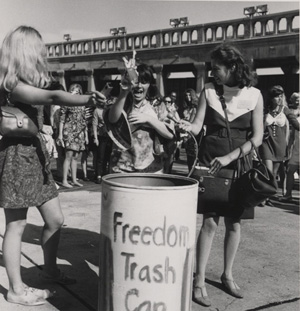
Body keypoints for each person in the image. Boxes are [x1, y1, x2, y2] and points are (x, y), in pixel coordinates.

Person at [0, 26, 105, 306]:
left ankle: (49, 270)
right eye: (38, 49)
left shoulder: (23, 83)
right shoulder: (12, 85)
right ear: (26, 52)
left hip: (35, 156)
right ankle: (16, 289)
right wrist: (88, 99)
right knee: (16, 224)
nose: (43, 54)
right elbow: (53, 97)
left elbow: (51, 92)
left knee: (55, 219)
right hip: (17, 158)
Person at [179, 44, 264, 307]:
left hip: (238, 164)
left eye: (216, 68)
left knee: (235, 223)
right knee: (210, 222)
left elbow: (258, 138)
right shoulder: (207, 91)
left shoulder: (255, 96)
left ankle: (227, 274)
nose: (212, 72)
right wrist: (186, 127)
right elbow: (197, 124)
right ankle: (200, 279)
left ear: (232, 68)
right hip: (209, 161)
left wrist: (230, 156)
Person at [106, 54, 175, 174]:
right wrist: (123, 92)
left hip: (151, 168)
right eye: (136, 82)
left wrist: (148, 119)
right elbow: (112, 120)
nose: (139, 86)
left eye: (144, 82)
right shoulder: (122, 103)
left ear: (150, 85)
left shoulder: (158, 106)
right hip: (122, 167)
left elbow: (170, 134)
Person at [259, 86, 299, 205]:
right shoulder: (265, 110)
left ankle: (268, 196)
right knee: (268, 170)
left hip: (280, 145)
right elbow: (258, 124)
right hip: (266, 143)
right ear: (271, 98)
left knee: (274, 173)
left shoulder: (285, 110)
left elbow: (296, 124)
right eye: (277, 96)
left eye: (281, 96)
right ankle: (263, 197)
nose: (279, 99)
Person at [57, 84, 88, 188]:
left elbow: (84, 121)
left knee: (76, 157)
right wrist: (60, 135)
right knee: (68, 156)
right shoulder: (66, 103)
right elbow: (61, 119)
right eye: (74, 91)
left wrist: (86, 135)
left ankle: (74, 179)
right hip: (69, 131)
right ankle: (65, 180)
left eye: (78, 92)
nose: (76, 94)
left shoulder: (82, 104)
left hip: (80, 133)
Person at [279, 92, 300, 202]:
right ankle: (288, 195)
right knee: (290, 171)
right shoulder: (293, 115)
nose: (298, 101)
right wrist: (289, 149)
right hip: (297, 150)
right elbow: (292, 136)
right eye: (296, 99)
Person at [92, 106, 112, 183]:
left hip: (111, 137)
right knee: (100, 156)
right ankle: (98, 175)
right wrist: (95, 138)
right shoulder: (97, 110)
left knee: (108, 156)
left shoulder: (110, 109)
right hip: (101, 136)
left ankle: (106, 173)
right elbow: (94, 124)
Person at [182, 88, 199, 172]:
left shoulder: (196, 108)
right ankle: (190, 172)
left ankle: (193, 174)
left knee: (194, 156)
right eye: (186, 95)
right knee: (188, 156)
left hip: (193, 134)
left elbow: (192, 122)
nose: (188, 97)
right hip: (186, 135)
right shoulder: (187, 108)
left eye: (189, 95)